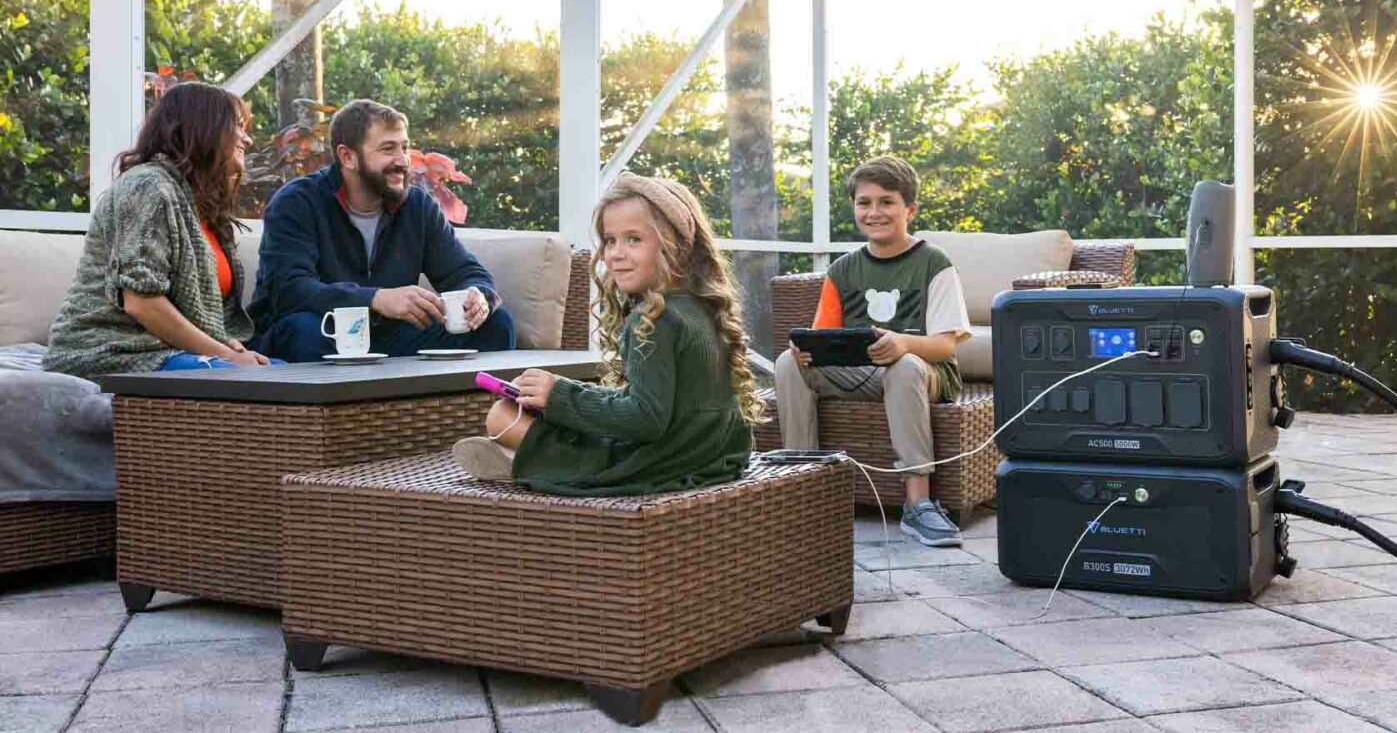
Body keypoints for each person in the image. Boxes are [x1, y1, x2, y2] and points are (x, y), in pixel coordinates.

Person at [450, 173, 763, 495]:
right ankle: (522, 458)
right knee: (537, 410)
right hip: (710, 456)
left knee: (501, 415)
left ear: (678, 246)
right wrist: (562, 390)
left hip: (660, 463)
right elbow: (655, 404)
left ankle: (523, 464)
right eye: (610, 240)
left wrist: (559, 397)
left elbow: (645, 418)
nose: (615, 253)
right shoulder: (703, 308)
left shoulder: (654, 321)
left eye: (634, 239)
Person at [774, 156, 972, 546]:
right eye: (864, 202)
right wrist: (805, 354)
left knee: (905, 366)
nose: (874, 211)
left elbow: (946, 345)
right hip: (859, 373)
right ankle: (803, 488)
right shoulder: (843, 269)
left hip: (924, 372)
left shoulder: (935, 263)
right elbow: (823, 339)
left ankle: (918, 504)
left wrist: (901, 343)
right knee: (787, 363)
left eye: (886, 202)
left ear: (909, 209)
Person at [246, 99, 515, 362]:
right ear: (347, 156)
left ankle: (459, 407)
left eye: (405, 148)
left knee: (497, 324)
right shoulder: (296, 202)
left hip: (389, 336)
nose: (402, 160)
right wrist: (374, 299)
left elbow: (466, 272)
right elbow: (289, 289)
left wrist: (479, 296)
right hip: (321, 332)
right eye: (388, 149)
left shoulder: (418, 206)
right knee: (303, 330)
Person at [45, 82, 280, 376]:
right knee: (270, 385)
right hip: (112, 349)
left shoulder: (201, 206)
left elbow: (202, 317)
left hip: (174, 351)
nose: (247, 139)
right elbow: (141, 303)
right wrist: (226, 357)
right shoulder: (147, 187)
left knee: (294, 377)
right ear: (203, 128)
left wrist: (233, 350)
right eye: (237, 126)